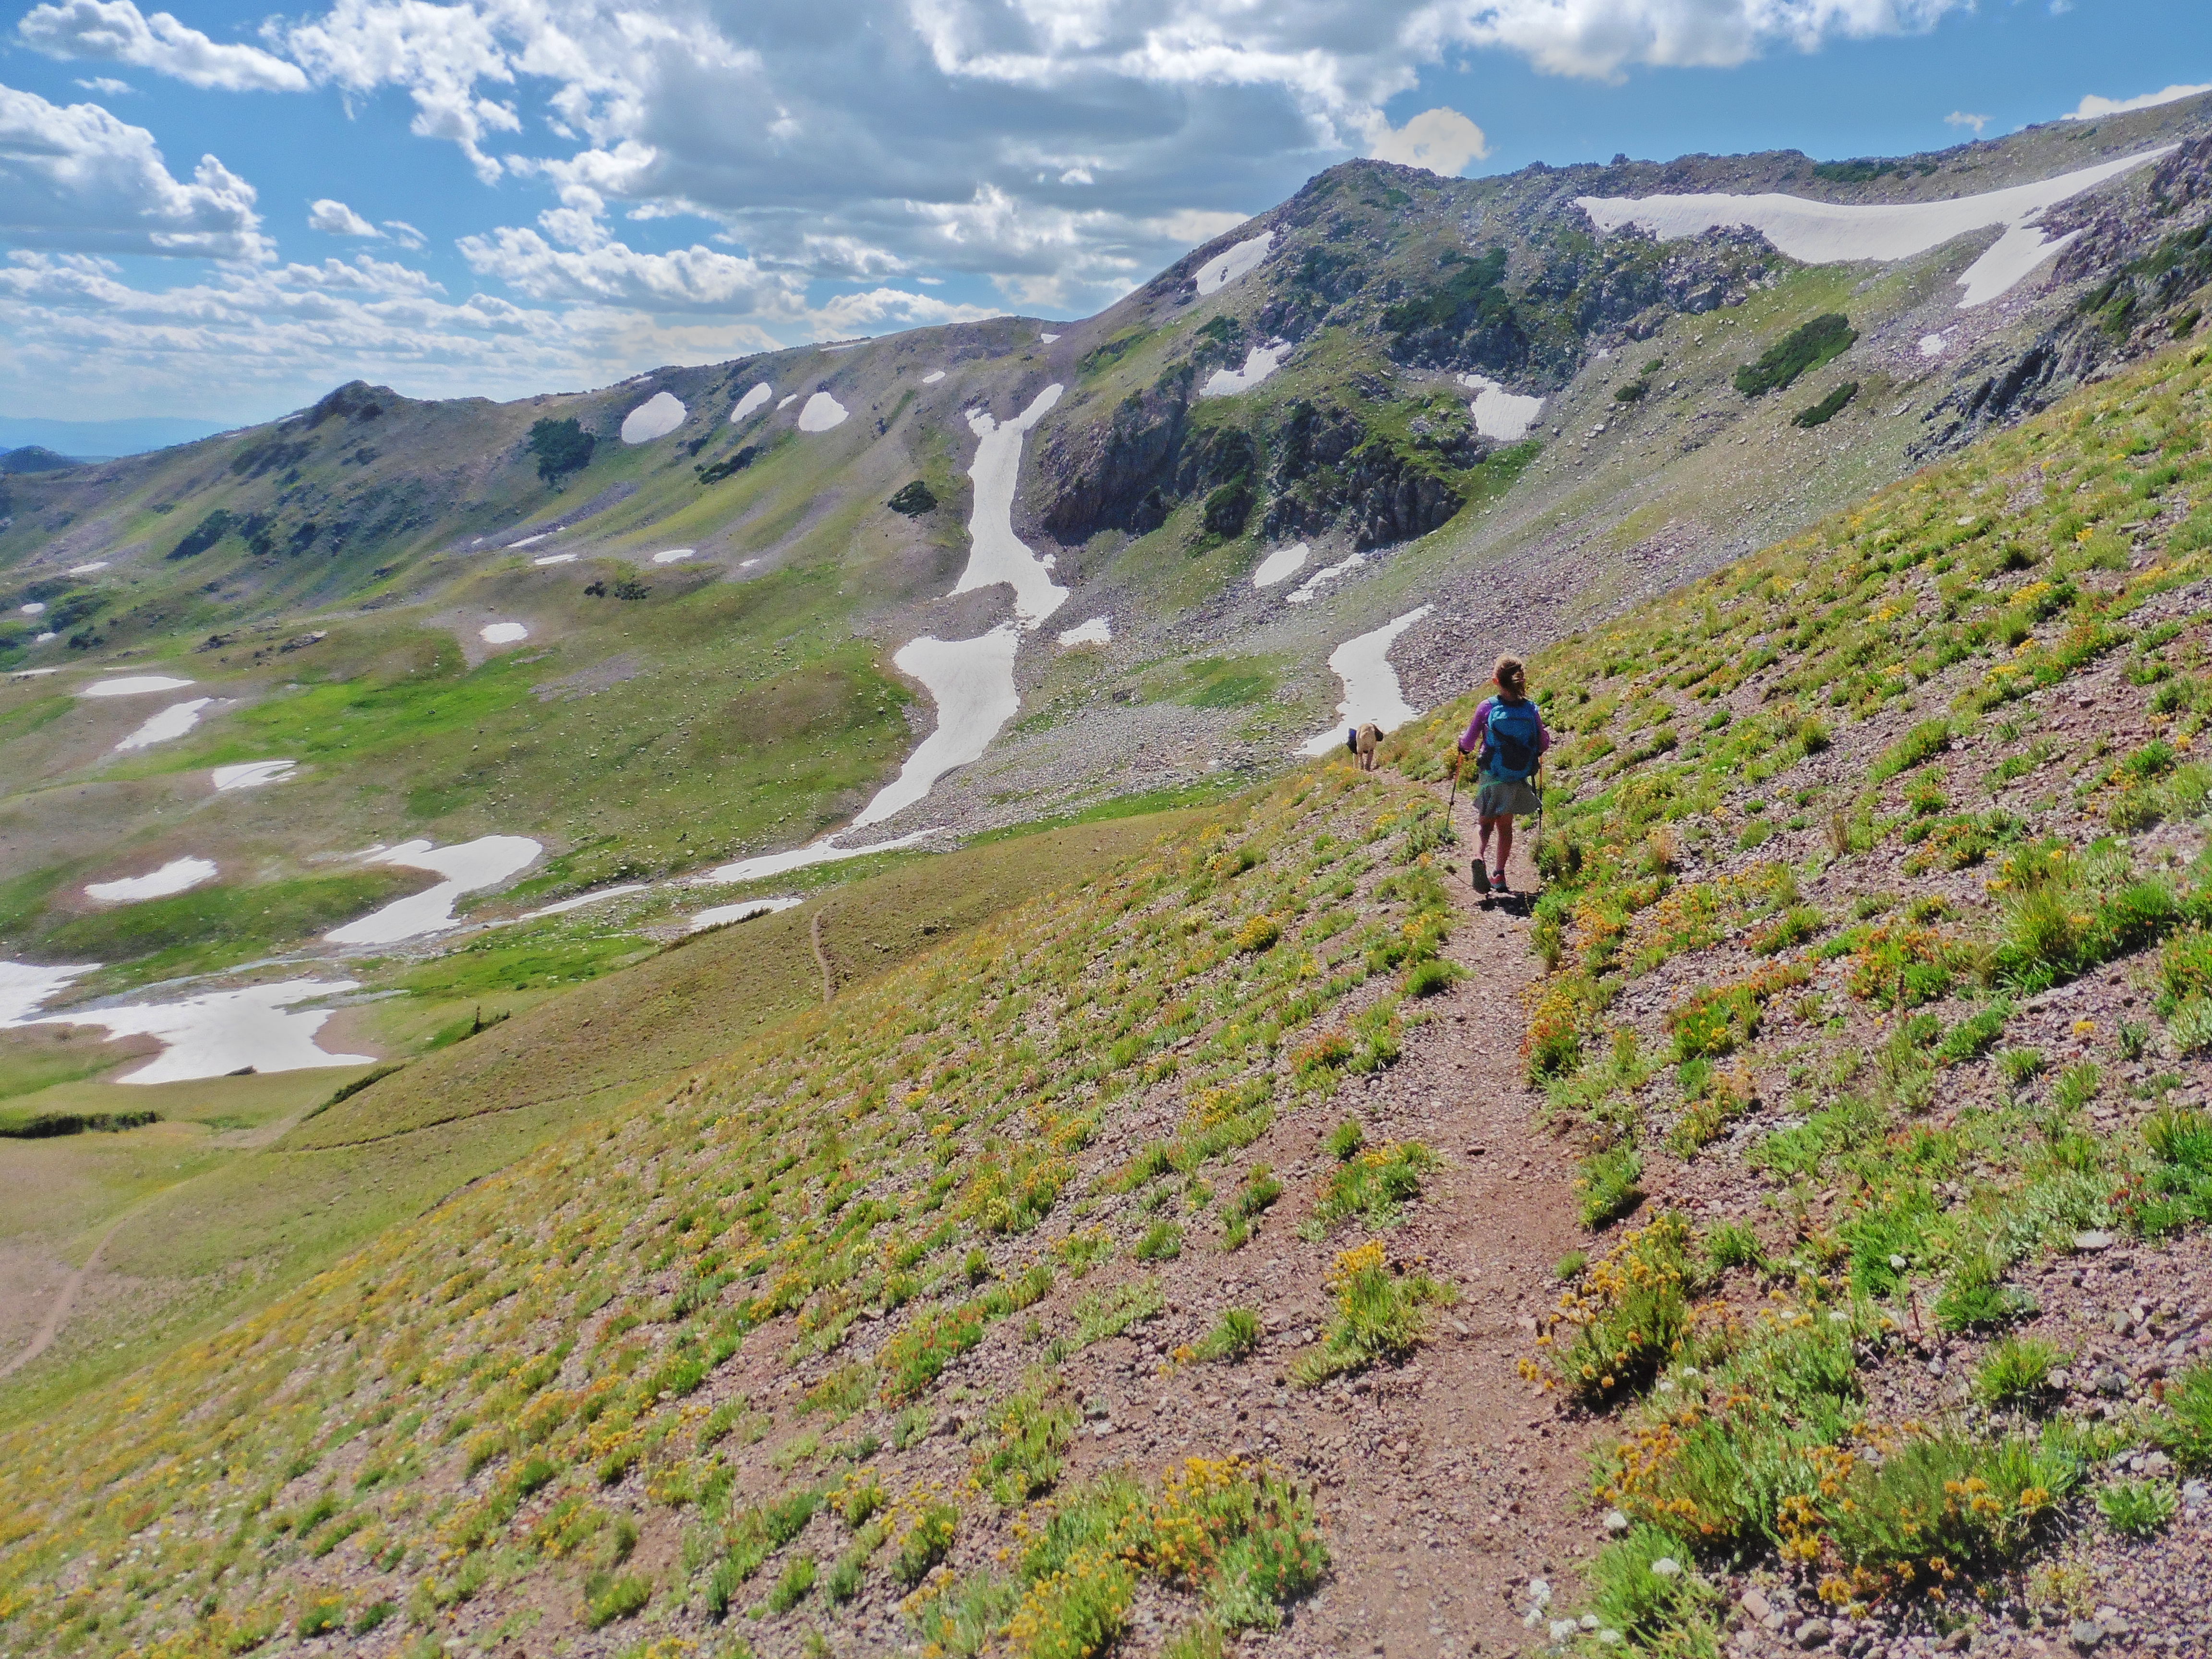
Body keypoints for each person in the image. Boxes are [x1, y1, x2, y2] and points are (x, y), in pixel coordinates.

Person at [1451, 654, 1549, 895]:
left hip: (1492, 774)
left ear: (1496, 681)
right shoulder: (1530, 708)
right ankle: (1499, 875)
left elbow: (1469, 741)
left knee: (1484, 824)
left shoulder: (1487, 707)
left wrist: (1461, 744)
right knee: (1505, 828)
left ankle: (1477, 857)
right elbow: (1543, 743)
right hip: (1516, 776)